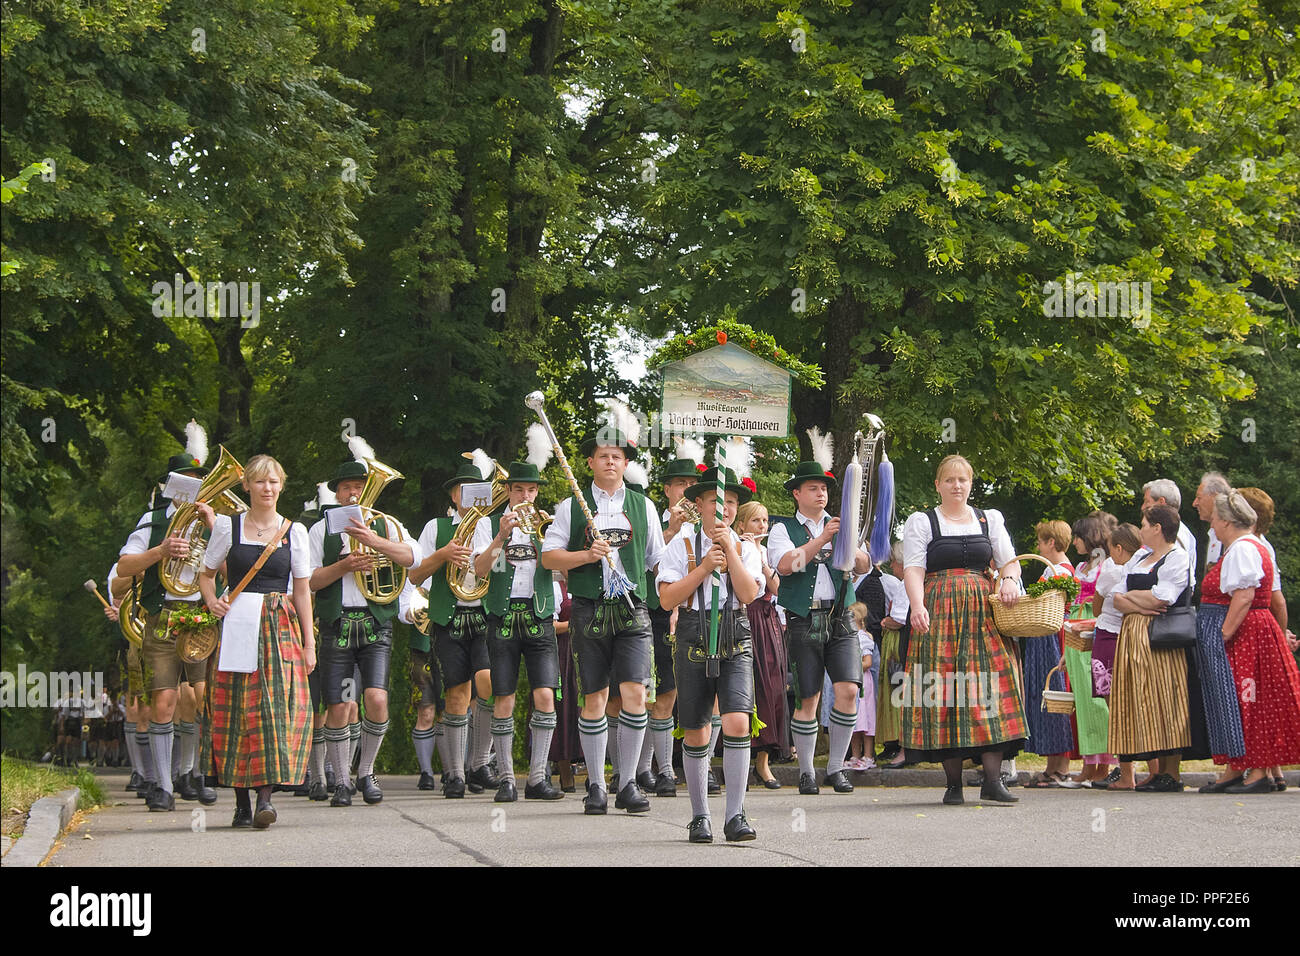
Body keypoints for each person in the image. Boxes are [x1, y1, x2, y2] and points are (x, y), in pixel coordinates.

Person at [540, 426, 666, 815]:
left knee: (634, 694)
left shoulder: (643, 506)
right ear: (590, 463)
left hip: (633, 610)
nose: (610, 461)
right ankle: (595, 785)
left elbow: (655, 561)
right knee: (594, 696)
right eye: (603, 456)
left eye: (617, 456)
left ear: (626, 464)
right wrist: (585, 556)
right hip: (589, 609)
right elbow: (548, 558)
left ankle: (627, 782)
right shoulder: (570, 507)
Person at [901, 454, 1027, 806]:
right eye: (950, 480)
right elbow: (913, 568)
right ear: (938, 485)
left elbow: (1009, 562)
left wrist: (1011, 581)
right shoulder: (922, 521)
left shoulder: (990, 519)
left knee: (989, 689)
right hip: (939, 610)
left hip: (983, 613)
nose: (957, 485)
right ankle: (953, 784)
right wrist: (917, 604)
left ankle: (992, 780)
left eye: (963, 480)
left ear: (971, 484)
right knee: (946, 691)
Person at [198, 454, 315, 828]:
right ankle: (241, 801)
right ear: (246, 486)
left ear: (281, 486)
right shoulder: (227, 527)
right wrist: (212, 600)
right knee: (234, 711)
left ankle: (265, 798)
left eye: (274, 482)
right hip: (236, 624)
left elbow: (303, 591)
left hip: (279, 627)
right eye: (260, 482)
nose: (267, 488)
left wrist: (309, 644)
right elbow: (205, 574)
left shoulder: (294, 531)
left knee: (274, 710)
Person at [657, 466, 762, 842]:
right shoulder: (681, 545)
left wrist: (731, 551)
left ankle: (736, 814)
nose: (725, 508)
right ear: (699, 504)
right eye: (717, 500)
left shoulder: (747, 547)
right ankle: (700, 814)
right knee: (698, 728)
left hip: (735, 631)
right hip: (692, 630)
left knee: (736, 721)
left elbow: (749, 594)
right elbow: (667, 598)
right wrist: (703, 567)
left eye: (732, 502)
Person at [309, 454, 419, 806]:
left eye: (359, 486)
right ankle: (341, 781)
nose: (354, 493)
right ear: (338, 493)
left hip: (374, 623)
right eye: (347, 488)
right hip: (338, 624)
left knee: (377, 698)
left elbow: (411, 558)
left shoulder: (386, 525)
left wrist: (375, 542)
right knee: (340, 705)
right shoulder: (319, 529)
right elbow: (310, 581)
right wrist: (344, 565)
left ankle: (366, 772)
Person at [115, 442, 216, 811]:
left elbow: (233, 569)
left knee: (201, 698)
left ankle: (192, 772)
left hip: (201, 617)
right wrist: (160, 551)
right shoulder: (152, 521)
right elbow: (124, 569)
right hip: (162, 616)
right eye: (184, 480)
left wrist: (214, 530)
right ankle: (162, 784)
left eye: (197, 480)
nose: (191, 486)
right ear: (169, 487)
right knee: (164, 698)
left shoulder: (214, 521)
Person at [767, 460, 874, 796]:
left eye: (824, 488)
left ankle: (837, 767)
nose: (821, 494)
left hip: (841, 615)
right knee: (808, 697)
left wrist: (848, 545)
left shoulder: (843, 523)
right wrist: (823, 538)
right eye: (813, 488)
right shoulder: (783, 528)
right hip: (803, 617)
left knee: (848, 690)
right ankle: (806, 772)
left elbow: (865, 564)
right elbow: (787, 565)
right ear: (797, 494)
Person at [470, 461, 565, 801]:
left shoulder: (548, 526)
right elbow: (480, 570)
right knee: (503, 698)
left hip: (539, 617)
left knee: (545, 696)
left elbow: (558, 569)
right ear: (508, 491)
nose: (526, 496)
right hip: (502, 617)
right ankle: (508, 779)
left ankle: (538, 778)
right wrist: (501, 536)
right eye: (519, 490)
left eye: (531, 490)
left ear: (537, 492)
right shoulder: (486, 525)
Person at [1201, 491, 1300, 793]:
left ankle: (1257, 772)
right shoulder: (1253, 545)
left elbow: (1244, 596)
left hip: (1247, 633)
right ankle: (1240, 767)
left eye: (1216, 519)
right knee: (1250, 699)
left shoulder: (1243, 549)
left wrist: (1223, 634)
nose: (1213, 525)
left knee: (1249, 699)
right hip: (1254, 629)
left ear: (1228, 521)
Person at [410, 458, 498, 797]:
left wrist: (498, 539)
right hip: (450, 615)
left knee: (488, 683)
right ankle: (456, 773)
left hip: (484, 614)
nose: (470, 495)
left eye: (477, 490)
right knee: (457, 693)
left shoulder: (491, 526)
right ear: (453, 496)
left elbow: (498, 569)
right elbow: (415, 576)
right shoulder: (436, 527)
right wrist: (444, 554)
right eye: (463, 490)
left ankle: (479, 762)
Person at [1106, 505, 1193, 792]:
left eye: (1144, 524)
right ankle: (1156, 771)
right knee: (1141, 699)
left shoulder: (1177, 557)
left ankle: (1172, 773)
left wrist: (1131, 598)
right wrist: (1136, 599)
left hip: (1161, 638)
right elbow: (1116, 597)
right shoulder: (1141, 556)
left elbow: (1163, 598)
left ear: (1157, 528)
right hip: (1132, 634)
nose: (1140, 528)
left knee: (1166, 698)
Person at [635, 455, 699, 796]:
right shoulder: (652, 521)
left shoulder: (705, 525)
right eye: (681, 485)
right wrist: (672, 529)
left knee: (674, 692)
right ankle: (650, 770)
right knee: (649, 693)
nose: (687, 491)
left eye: (692, 485)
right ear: (668, 490)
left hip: (693, 614)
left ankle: (667, 769)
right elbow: (643, 563)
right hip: (655, 612)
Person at [1060, 514, 1115, 786]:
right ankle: (1089, 763)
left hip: (1092, 626)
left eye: (1079, 536)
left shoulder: (1107, 565)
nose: (1075, 541)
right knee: (1082, 700)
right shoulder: (1082, 565)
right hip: (1074, 629)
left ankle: (1104, 764)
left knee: (1097, 700)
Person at [736, 499, 787, 787]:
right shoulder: (735, 546)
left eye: (765, 521)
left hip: (766, 623)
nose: (762, 526)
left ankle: (763, 762)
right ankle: (739, 758)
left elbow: (776, 587)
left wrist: (762, 558)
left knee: (771, 688)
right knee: (746, 688)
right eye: (756, 521)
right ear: (741, 524)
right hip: (745, 617)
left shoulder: (763, 551)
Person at [1022, 520, 1077, 788]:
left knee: (1056, 697)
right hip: (1045, 638)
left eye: (1041, 541)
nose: (1038, 546)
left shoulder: (1061, 572)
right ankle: (1052, 764)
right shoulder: (1053, 570)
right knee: (1047, 698)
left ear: (1051, 543)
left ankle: (1061, 766)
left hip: (1053, 638)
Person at [876, 541, 910, 769]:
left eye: (895, 564)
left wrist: (885, 621)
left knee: (897, 691)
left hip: (899, 642)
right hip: (906, 640)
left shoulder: (906, 583)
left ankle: (901, 744)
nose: (892, 568)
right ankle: (897, 743)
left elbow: (899, 619)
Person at [846, 602, 877, 770]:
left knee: (865, 718)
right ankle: (855, 754)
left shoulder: (862, 637)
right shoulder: (848, 636)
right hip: (852, 681)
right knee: (854, 720)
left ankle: (868, 755)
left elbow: (868, 662)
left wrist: (850, 665)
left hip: (862, 683)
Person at [1192, 471, 1232, 572]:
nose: (1194, 503)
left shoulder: (1237, 538)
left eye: (1199, 498)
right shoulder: (1214, 533)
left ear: (1215, 497)